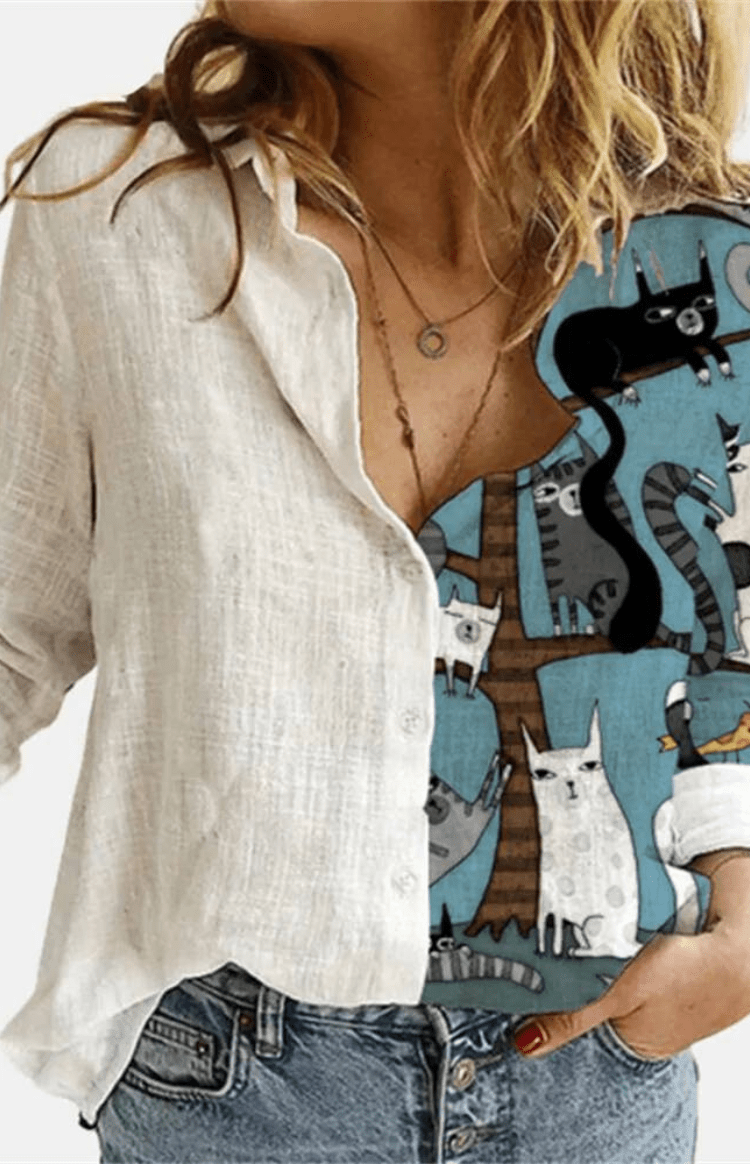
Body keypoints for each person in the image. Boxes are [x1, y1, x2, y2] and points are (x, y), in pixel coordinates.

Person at [2, 0, 750, 1160]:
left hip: (601, 1076)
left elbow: (726, 648)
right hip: (235, 1090)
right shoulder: (117, 208)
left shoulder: (708, 260)